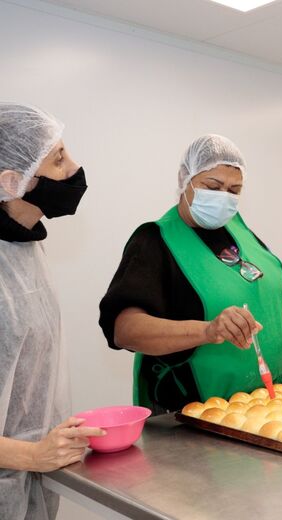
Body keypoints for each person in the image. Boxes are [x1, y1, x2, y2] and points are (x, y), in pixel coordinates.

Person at [99, 134, 282, 415]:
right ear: (185, 179)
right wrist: (208, 330)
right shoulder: (154, 241)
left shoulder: (238, 229)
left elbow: (264, 288)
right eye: (212, 186)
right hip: (201, 410)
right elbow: (125, 330)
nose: (223, 198)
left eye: (234, 190)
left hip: (273, 399)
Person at [0, 103, 105, 519]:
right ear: (12, 181)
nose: (74, 169)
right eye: (58, 159)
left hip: (29, 478)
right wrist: (30, 455)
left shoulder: (25, 248)